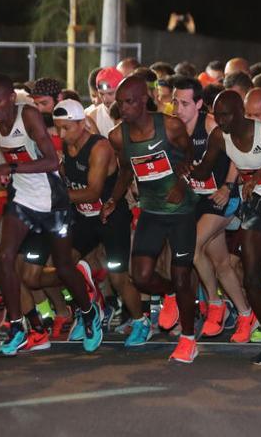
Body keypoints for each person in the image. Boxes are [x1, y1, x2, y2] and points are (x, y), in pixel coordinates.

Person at [0, 73, 103, 356]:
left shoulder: (29, 116)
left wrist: (8, 169)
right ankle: (16, 326)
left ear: (11, 98)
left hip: (52, 202)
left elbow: (49, 161)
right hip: (22, 200)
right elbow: (3, 147)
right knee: (5, 257)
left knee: (63, 267)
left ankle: (88, 311)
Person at [191, 89, 261, 365]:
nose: (222, 120)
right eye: (217, 115)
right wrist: (186, 168)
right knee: (251, 278)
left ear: (240, 113)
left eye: (227, 114)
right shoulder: (220, 135)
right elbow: (205, 169)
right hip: (255, 206)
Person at [102, 75, 199, 363]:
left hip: (181, 210)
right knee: (141, 276)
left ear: (144, 100)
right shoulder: (118, 136)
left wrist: (181, 182)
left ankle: (189, 339)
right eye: (120, 103)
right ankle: (169, 295)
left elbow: (190, 154)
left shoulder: (170, 126)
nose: (124, 108)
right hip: (151, 211)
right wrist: (112, 201)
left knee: (182, 275)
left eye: (129, 102)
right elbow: (125, 172)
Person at [50, 99, 147, 347]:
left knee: (118, 277)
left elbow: (93, 192)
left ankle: (140, 321)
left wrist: (53, 197)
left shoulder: (99, 147)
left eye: (66, 128)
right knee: (64, 264)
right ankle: (89, 309)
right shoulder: (66, 145)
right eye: (58, 128)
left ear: (82, 124)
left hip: (110, 216)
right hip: (84, 217)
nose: (61, 134)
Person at [174, 83, 254, 343]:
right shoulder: (175, 128)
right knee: (220, 263)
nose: (178, 108)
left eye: (184, 103)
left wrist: (228, 186)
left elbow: (237, 154)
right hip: (198, 199)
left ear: (198, 104)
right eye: (175, 102)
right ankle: (245, 314)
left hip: (222, 198)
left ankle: (214, 303)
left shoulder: (210, 125)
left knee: (192, 245)